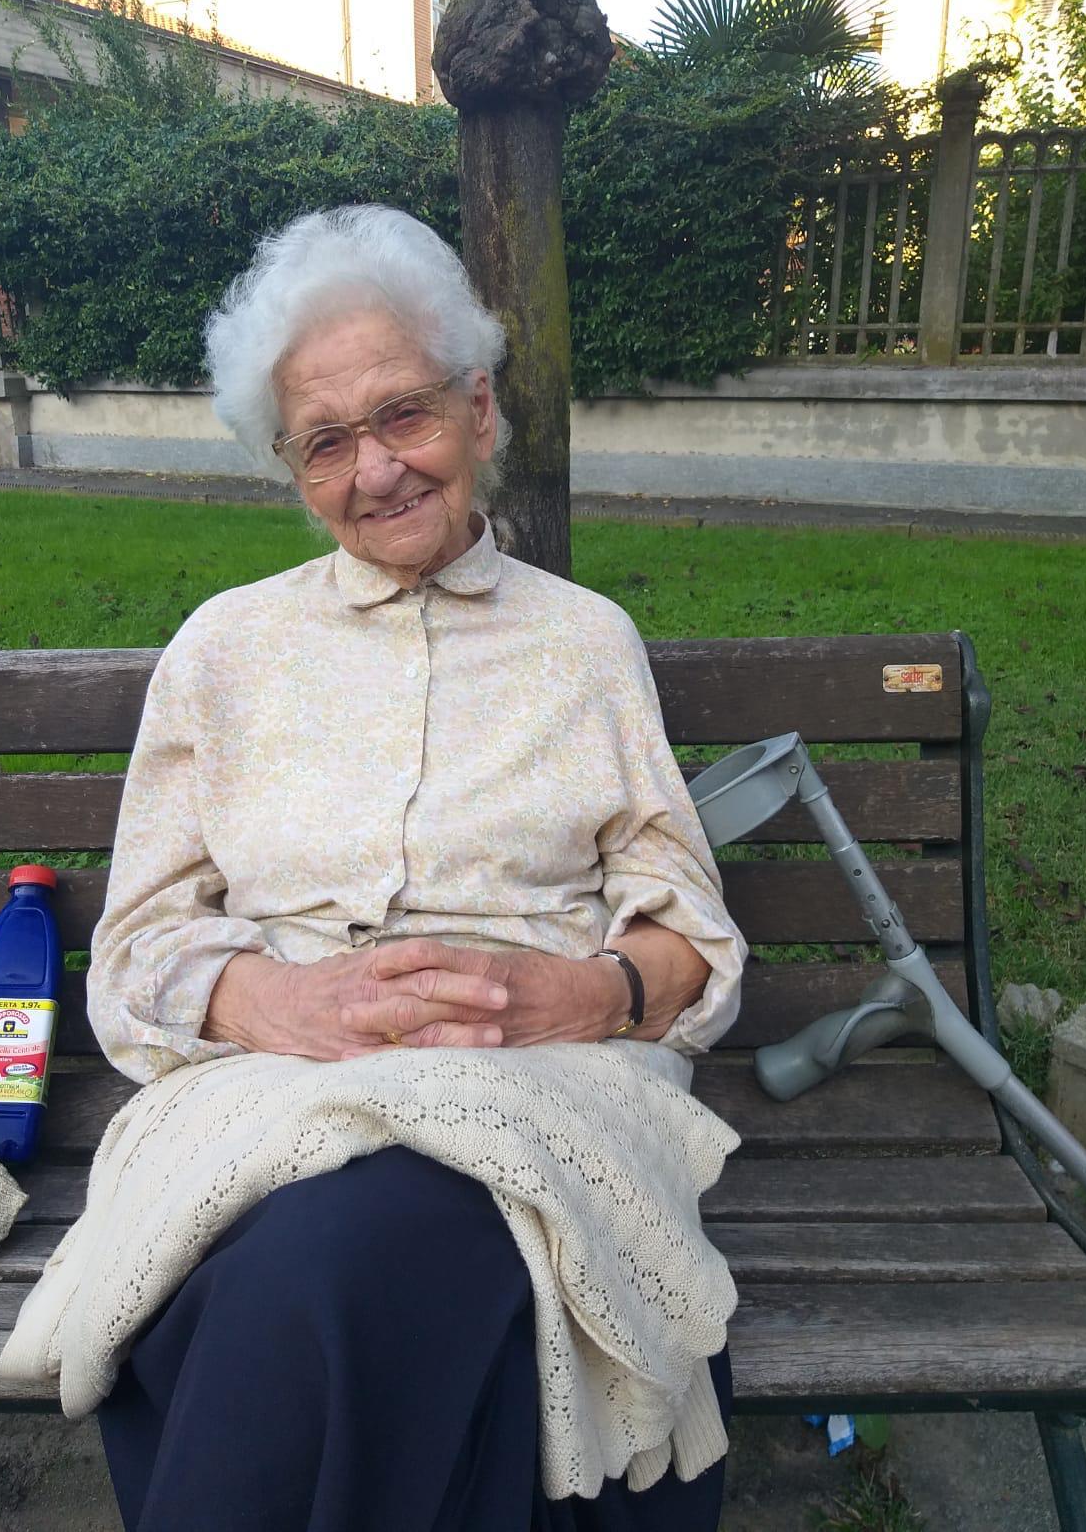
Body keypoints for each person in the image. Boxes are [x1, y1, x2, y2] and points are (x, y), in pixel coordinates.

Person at [85, 205, 747, 1532]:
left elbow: (694, 941)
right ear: (293, 470)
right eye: (327, 441)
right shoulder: (222, 651)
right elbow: (136, 948)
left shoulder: (584, 644)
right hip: (270, 1088)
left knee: (320, 1271)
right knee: (331, 1263)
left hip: (541, 1081)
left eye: (405, 415)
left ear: (479, 410)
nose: (376, 469)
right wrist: (283, 1005)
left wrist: (581, 995)